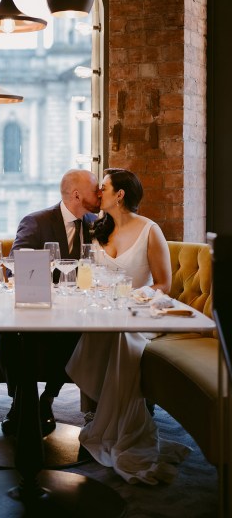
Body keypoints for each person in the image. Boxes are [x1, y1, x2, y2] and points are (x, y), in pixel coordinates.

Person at [66, 168, 190, 485]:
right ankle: (99, 414)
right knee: (99, 329)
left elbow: (163, 283)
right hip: (107, 313)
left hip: (142, 315)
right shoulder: (98, 231)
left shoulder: (150, 230)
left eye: (103, 187)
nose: (98, 193)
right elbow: (88, 278)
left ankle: (120, 426)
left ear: (119, 194)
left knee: (122, 335)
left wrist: (135, 297)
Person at [0, 169, 101, 437]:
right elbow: (14, 270)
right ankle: (19, 400)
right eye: (95, 189)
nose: (100, 194)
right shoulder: (36, 221)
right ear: (77, 194)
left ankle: (48, 397)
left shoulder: (98, 224)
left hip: (78, 312)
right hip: (36, 308)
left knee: (77, 333)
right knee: (9, 333)